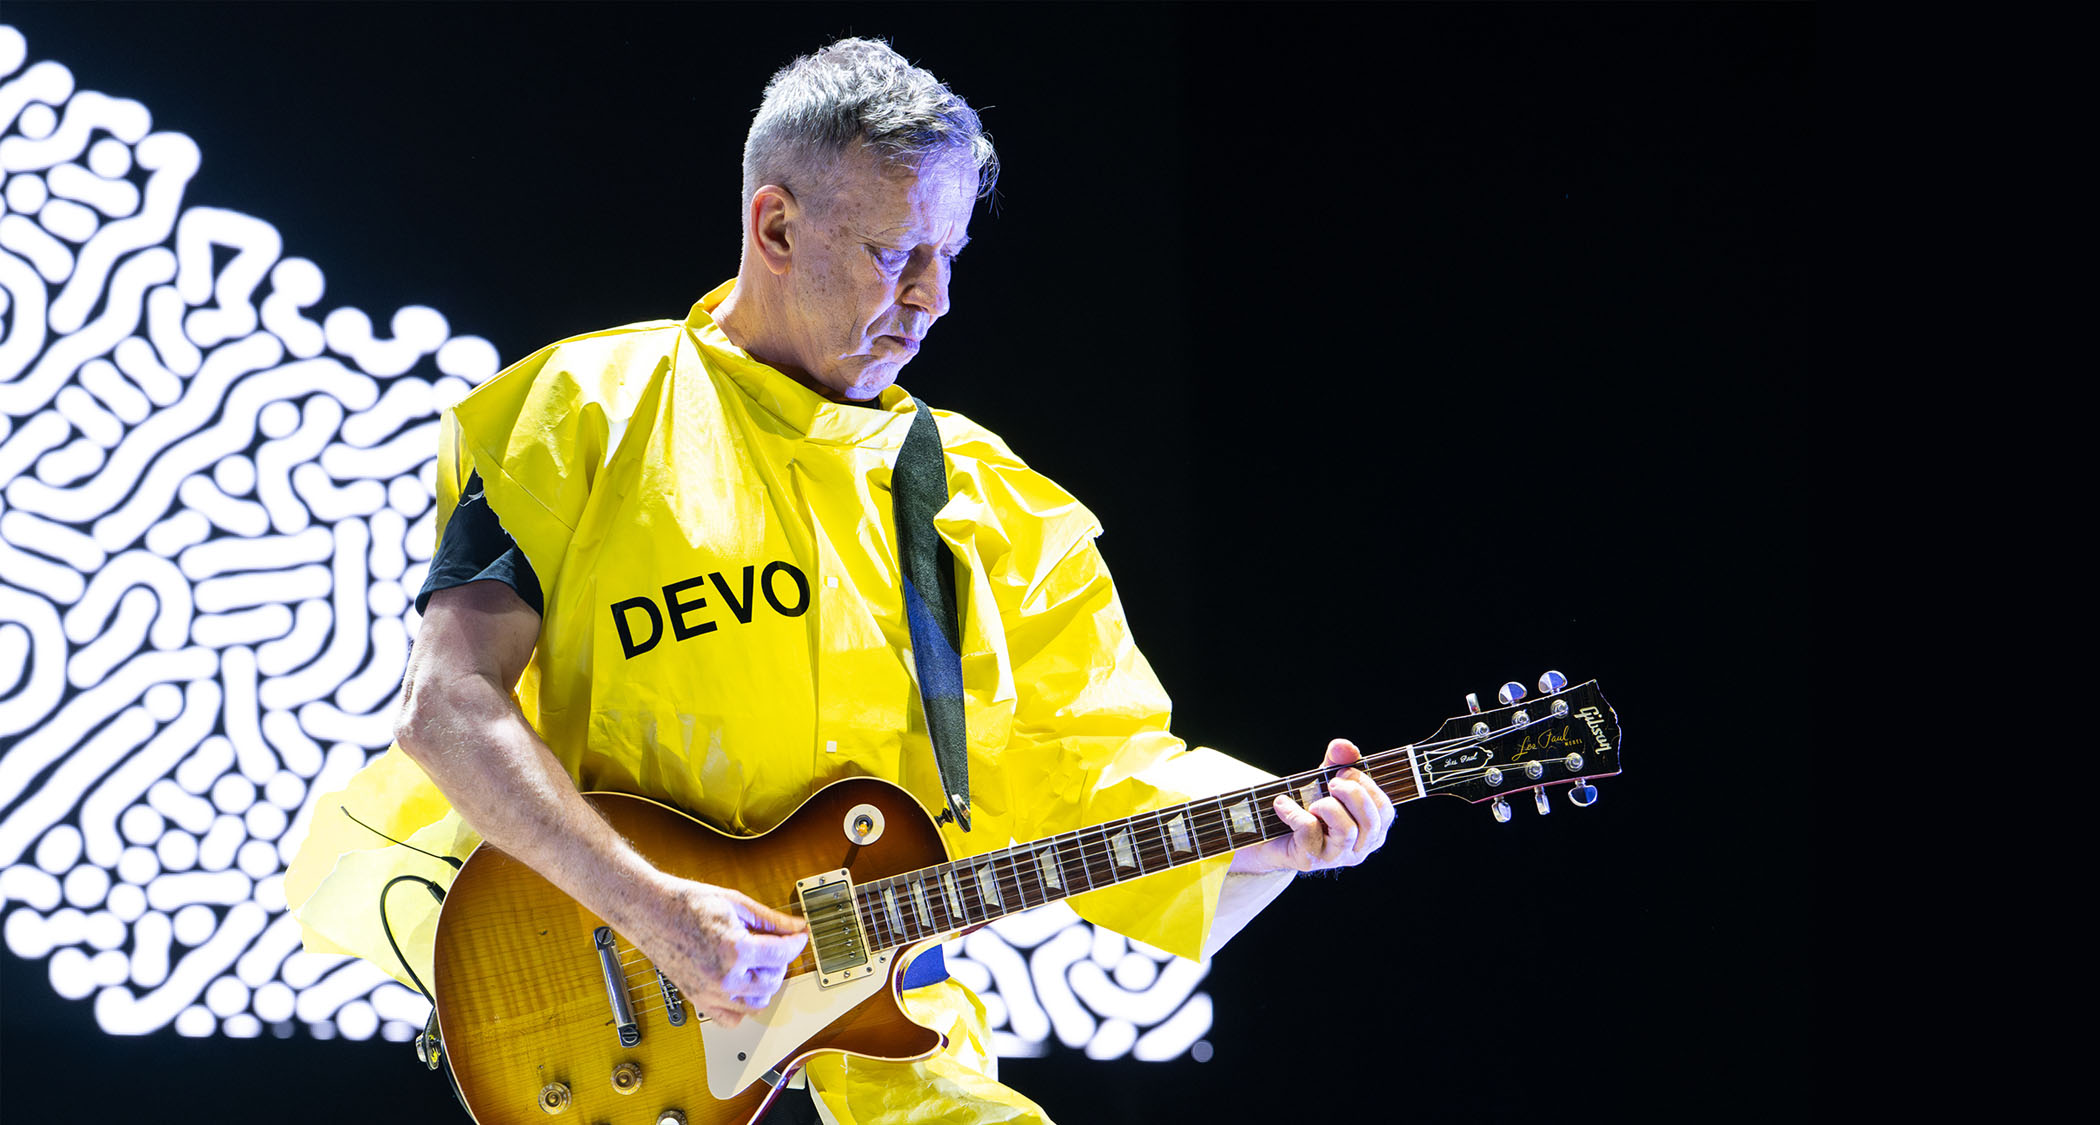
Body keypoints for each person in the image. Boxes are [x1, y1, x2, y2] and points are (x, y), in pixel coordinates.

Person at [287, 37, 1393, 1124]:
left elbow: (1104, 765)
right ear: (775, 224)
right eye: (896, 252)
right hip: (622, 1022)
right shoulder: (580, 410)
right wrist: (657, 912)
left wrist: (1266, 827)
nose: (933, 297)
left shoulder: (998, 506)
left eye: (950, 255)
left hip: (894, 1052)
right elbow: (449, 708)